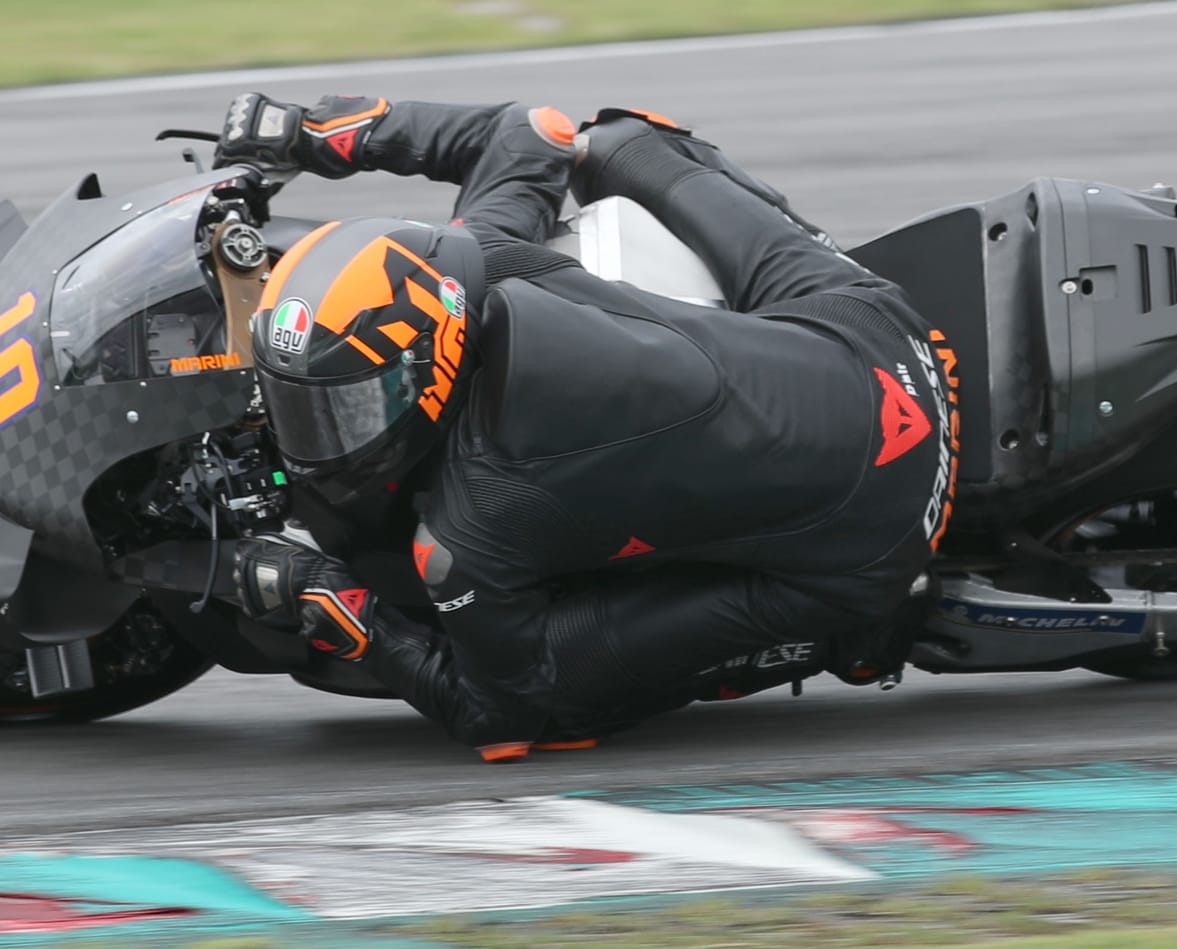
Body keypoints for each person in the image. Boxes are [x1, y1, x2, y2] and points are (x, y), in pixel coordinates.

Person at [214, 92, 956, 760]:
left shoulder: (472, 525)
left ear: (430, 366)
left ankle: (857, 628)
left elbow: (495, 715)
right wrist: (316, 132)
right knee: (617, 139)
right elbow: (534, 134)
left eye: (344, 408)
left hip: (878, 531)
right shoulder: (484, 262)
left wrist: (334, 600)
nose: (314, 439)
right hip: (874, 332)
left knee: (556, 704)